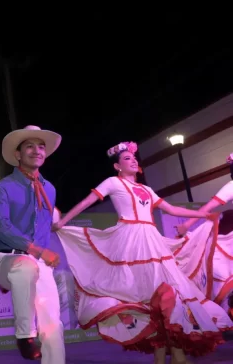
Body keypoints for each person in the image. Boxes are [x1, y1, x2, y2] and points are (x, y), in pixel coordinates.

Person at [52, 141, 233, 364]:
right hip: (130, 240)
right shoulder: (112, 182)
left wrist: (202, 216)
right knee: (146, 297)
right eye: (127, 159)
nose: (133, 160)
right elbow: (87, 202)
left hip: (151, 239)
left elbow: (172, 209)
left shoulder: (147, 189)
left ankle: (168, 353)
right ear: (117, 166)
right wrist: (63, 222)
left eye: (134, 158)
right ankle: (168, 353)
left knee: (168, 293)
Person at [0, 125, 65, 363]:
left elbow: (44, 225)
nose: (37, 151)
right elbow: (0, 226)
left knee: (53, 323)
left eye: (41, 146)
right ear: (18, 155)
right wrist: (37, 250)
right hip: (7, 260)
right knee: (25, 266)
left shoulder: (49, 188)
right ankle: (25, 335)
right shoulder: (3, 187)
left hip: (38, 262)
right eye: (29, 146)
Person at [175, 153, 233, 313]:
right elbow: (208, 208)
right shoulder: (231, 186)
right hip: (229, 236)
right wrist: (187, 225)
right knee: (222, 274)